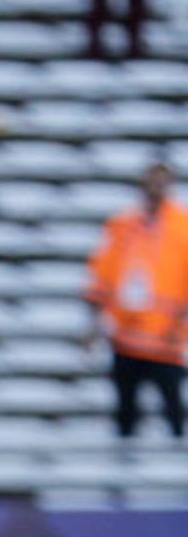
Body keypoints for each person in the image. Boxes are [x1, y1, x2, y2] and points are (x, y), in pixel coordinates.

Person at [85, 159, 188, 439]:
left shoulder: (182, 228)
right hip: (126, 339)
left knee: (174, 414)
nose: (155, 188)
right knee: (126, 414)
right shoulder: (122, 225)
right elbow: (102, 275)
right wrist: (94, 323)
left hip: (166, 340)